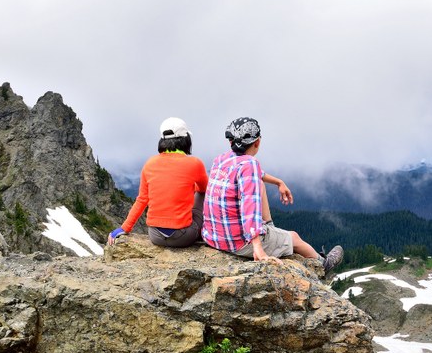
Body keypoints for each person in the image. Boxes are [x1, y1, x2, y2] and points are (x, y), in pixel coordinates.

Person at [202, 117, 344, 273]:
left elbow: (256, 175)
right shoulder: (250, 164)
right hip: (238, 243)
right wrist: (258, 248)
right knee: (295, 237)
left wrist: (278, 182)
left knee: (260, 184)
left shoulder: (221, 160)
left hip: (213, 237)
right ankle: (324, 265)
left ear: (231, 142)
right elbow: (249, 207)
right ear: (258, 142)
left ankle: (270, 230)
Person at [107, 117, 208, 247]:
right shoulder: (195, 163)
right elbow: (205, 189)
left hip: (155, 236)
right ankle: (213, 232)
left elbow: (142, 199)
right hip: (184, 237)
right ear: (186, 139)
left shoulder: (150, 163)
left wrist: (124, 228)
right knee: (201, 194)